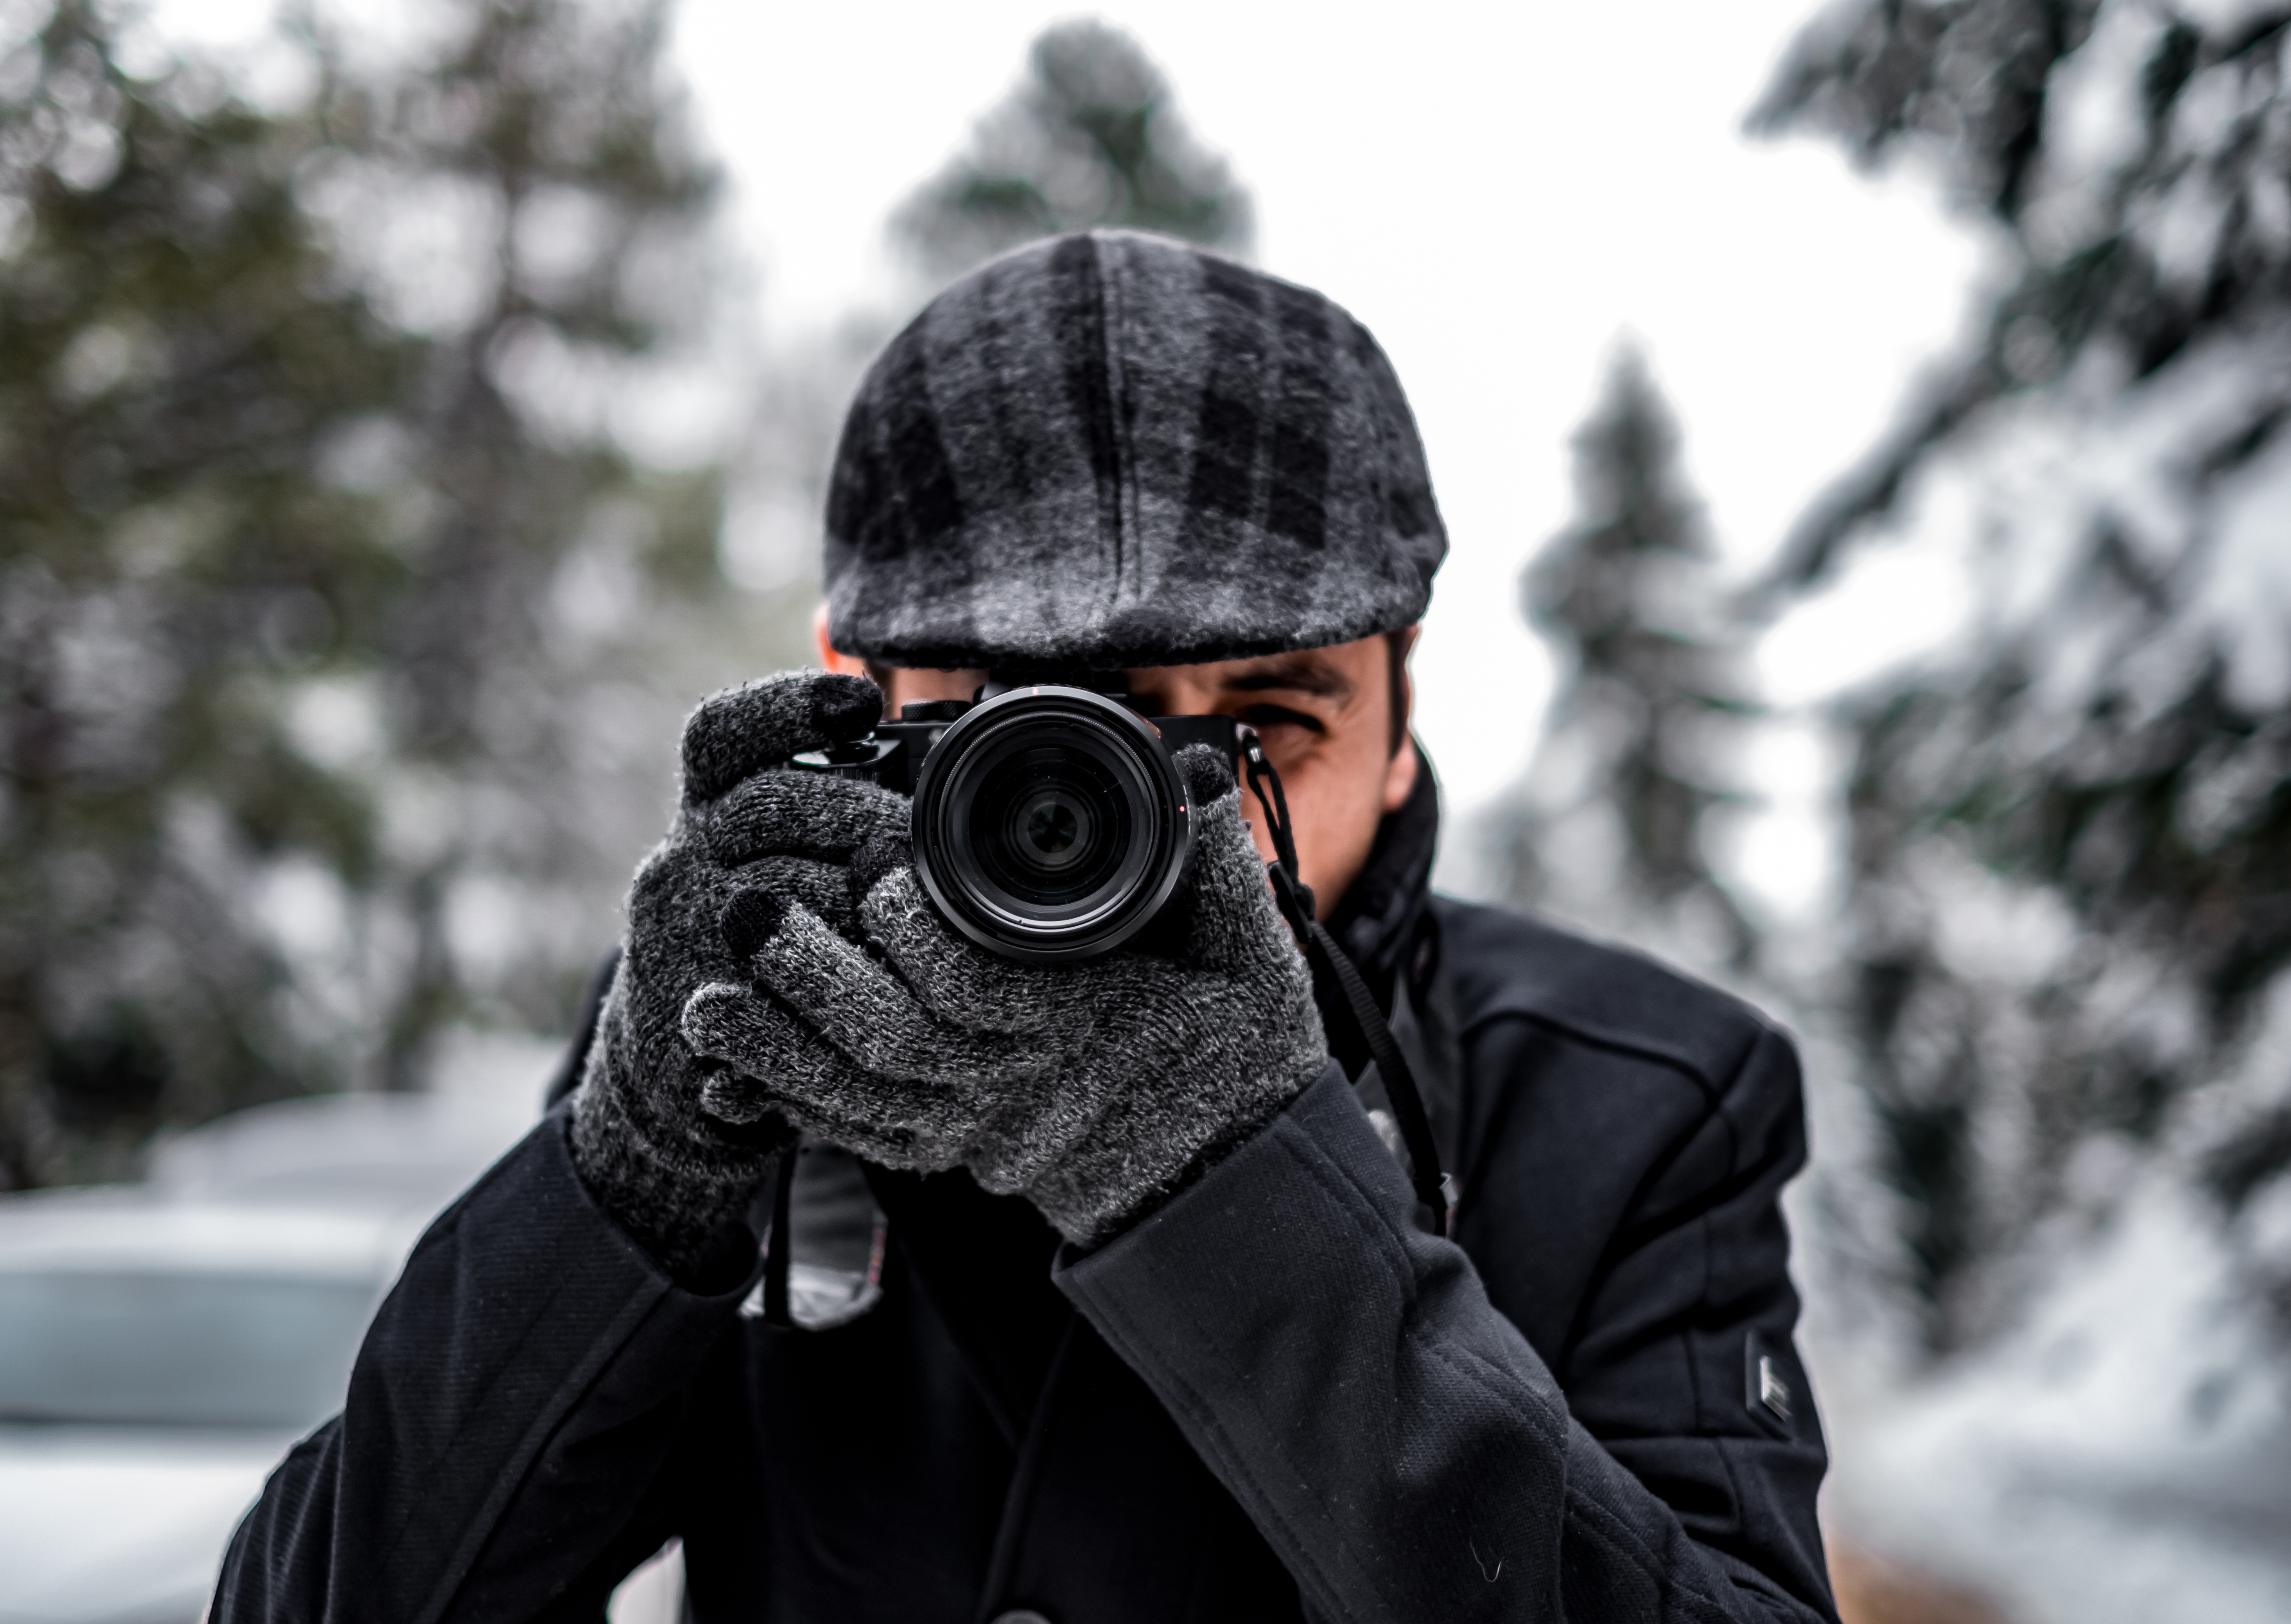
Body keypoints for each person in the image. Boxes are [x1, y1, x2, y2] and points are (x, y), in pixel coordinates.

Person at [212, 231, 1837, 1624]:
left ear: (1405, 703)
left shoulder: (1640, 1100)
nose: (1174, 821)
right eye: (1065, 738)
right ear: (851, 687)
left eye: (1269, 728)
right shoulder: (733, 1040)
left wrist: (1231, 1183)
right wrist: (629, 1183)